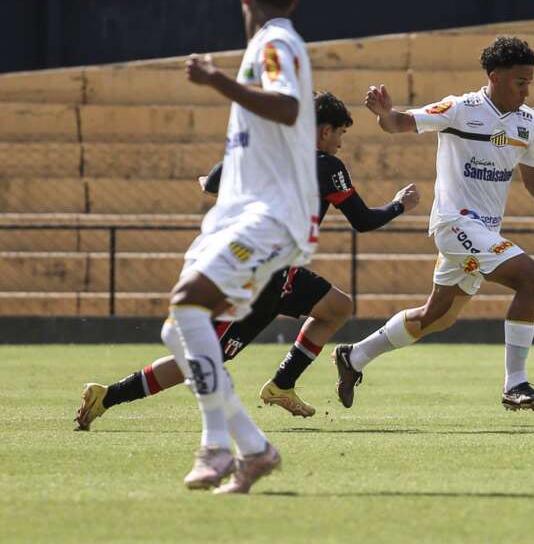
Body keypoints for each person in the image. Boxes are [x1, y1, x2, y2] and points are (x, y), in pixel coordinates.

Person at [75, 92, 419, 428]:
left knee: (337, 307)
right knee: (204, 361)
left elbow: (210, 182)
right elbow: (363, 220)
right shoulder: (327, 166)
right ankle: (108, 396)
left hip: (276, 270)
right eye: (340, 133)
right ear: (324, 131)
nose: (341, 143)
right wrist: (399, 204)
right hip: (257, 279)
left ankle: (282, 384)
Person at [332, 36, 534, 411]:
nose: (527, 91)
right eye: (521, 82)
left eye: (530, 82)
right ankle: (515, 384)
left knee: (435, 317)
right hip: (454, 225)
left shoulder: (527, 121)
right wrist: (385, 114)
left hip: (484, 232)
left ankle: (353, 357)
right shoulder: (460, 108)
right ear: (495, 76)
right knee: (531, 277)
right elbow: (400, 123)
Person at [158, 0, 320, 494]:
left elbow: (287, 106)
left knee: (187, 304)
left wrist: (216, 80)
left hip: (272, 217)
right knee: (178, 329)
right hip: (243, 214)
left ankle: (214, 447)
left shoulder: (274, 42)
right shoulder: (272, 43)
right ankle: (254, 449)